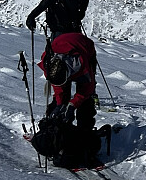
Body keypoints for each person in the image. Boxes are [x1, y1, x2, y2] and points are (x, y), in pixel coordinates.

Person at [36, 31, 100, 168]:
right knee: (60, 100)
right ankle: (59, 131)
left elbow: (86, 90)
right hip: (62, 47)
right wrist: (60, 104)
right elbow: (58, 87)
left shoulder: (82, 66)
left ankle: (85, 134)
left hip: (84, 48)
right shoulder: (49, 64)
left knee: (85, 103)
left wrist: (72, 105)